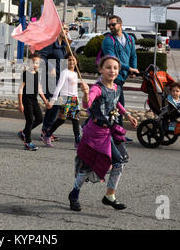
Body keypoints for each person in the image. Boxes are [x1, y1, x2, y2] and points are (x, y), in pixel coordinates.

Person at [68, 55, 138, 212]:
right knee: (86, 168)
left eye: (115, 68)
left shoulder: (117, 87)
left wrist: (127, 115)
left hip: (109, 132)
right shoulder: (97, 88)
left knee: (118, 163)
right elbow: (87, 103)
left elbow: (116, 102)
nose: (112, 71)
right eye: (108, 67)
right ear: (100, 69)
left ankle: (109, 196)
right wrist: (86, 94)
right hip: (94, 135)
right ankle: (74, 194)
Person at [101, 15, 139, 142]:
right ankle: (119, 134)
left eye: (113, 24)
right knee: (118, 104)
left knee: (114, 105)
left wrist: (133, 69)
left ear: (120, 24)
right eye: (109, 25)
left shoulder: (129, 39)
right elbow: (113, 60)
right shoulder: (108, 41)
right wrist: (129, 69)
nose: (111, 27)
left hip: (122, 77)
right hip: (112, 77)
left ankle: (116, 132)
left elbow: (133, 55)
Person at [42, 55, 87, 148]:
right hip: (64, 98)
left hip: (74, 100)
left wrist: (78, 102)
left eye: (73, 60)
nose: (71, 62)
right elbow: (59, 86)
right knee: (62, 119)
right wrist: (53, 100)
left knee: (76, 120)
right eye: (69, 60)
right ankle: (47, 135)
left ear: (76, 62)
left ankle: (77, 141)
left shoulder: (75, 74)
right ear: (66, 62)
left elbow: (74, 90)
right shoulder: (64, 72)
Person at [39, 24, 70, 144]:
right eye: (64, 28)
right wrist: (50, 66)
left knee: (55, 106)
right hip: (50, 79)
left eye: (67, 29)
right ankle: (46, 131)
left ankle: (47, 131)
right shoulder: (51, 42)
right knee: (54, 105)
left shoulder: (64, 45)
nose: (66, 31)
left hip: (60, 79)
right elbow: (41, 57)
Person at [17, 53, 49, 151]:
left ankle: (23, 133)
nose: (35, 64)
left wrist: (45, 101)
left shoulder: (37, 74)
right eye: (33, 62)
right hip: (26, 100)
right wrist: (20, 103)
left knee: (39, 119)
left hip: (34, 100)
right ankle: (28, 142)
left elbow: (39, 89)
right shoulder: (25, 74)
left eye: (37, 62)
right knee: (30, 120)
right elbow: (20, 89)